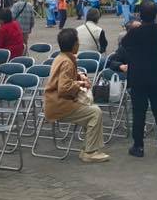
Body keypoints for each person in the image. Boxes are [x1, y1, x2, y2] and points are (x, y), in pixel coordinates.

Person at [42, 27, 109, 163]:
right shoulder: (67, 61)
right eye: (77, 41)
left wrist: (78, 77)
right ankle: (90, 152)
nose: (79, 43)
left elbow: (63, 79)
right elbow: (64, 87)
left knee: (90, 112)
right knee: (95, 113)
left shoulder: (61, 57)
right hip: (60, 105)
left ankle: (88, 148)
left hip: (54, 103)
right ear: (74, 45)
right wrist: (80, 85)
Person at [109, 22, 157, 137]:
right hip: (137, 83)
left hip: (154, 81)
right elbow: (112, 61)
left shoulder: (152, 44)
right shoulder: (125, 48)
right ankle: (141, 125)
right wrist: (121, 66)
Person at [116, 1, 157, 156]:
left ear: (140, 15)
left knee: (139, 111)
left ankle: (138, 146)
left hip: (139, 75)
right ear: (155, 15)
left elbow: (124, 43)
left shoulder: (135, 31)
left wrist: (134, 28)